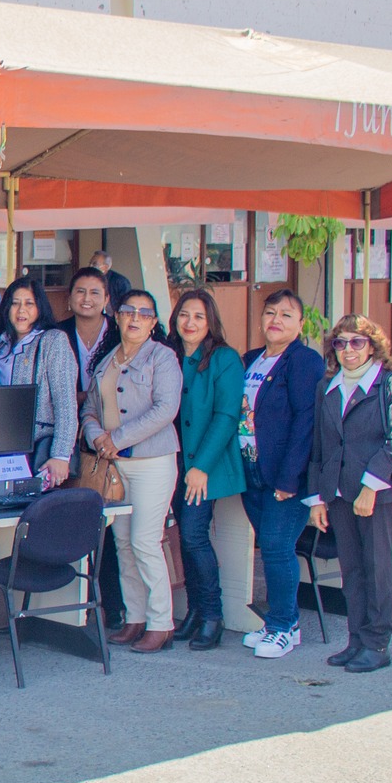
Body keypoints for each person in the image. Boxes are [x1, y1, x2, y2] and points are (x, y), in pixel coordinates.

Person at [306, 314, 392, 674]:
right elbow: (319, 447)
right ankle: (355, 639)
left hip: (375, 494)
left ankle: (377, 643)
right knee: (352, 570)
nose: (348, 350)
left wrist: (371, 485)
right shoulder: (328, 387)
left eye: (357, 342)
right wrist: (316, 498)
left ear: (373, 346)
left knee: (377, 569)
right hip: (337, 493)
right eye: (341, 343)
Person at [81, 289, 183, 652]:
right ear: (118, 316)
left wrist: (118, 438)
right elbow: (90, 410)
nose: (135, 318)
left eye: (144, 313)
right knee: (122, 543)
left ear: (154, 322)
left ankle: (161, 622)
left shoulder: (163, 357)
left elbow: (166, 408)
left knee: (144, 540)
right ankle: (135, 617)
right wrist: (98, 439)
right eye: (128, 312)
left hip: (152, 463)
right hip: (114, 466)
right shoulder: (107, 360)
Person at [240, 290, 326, 660]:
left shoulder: (305, 361)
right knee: (269, 546)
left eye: (287, 315)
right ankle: (282, 621)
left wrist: (289, 480)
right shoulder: (250, 359)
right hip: (251, 469)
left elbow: (307, 422)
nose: (277, 320)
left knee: (277, 548)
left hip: (285, 477)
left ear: (300, 324)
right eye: (271, 312)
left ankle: (283, 628)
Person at [167, 289, 245, 652]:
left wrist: (200, 468)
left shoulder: (225, 358)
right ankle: (197, 612)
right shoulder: (168, 354)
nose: (190, 322)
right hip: (172, 462)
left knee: (195, 536)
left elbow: (227, 416)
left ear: (210, 320)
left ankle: (213, 614)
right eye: (184, 314)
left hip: (204, 465)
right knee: (184, 536)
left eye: (198, 316)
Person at [59, 265, 124, 625]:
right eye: (80, 292)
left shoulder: (120, 333)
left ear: (107, 300)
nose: (86, 298)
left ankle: (110, 607)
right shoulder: (56, 334)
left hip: (109, 440)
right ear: (69, 299)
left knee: (108, 527)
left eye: (94, 292)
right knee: (69, 522)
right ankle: (68, 608)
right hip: (69, 440)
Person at [0, 278, 78, 488]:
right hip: (3, 451)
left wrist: (61, 455)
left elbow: (65, 402)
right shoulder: (0, 345)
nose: (21, 310)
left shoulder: (53, 341)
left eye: (29, 303)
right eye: (15, 303)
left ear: (40, 307)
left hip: (40, 450)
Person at [91, 249, 133, 314]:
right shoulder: (90, 281)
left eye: (94, 264)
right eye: (90, 263)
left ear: (105, 267)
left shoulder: (120, 282)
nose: (90, 266)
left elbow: (126, 306)